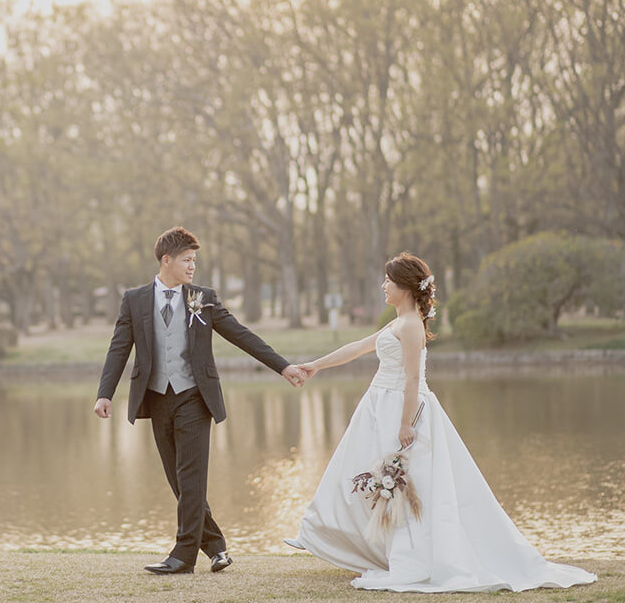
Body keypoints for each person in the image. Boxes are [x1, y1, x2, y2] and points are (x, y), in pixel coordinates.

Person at [286, 252, 597, 592]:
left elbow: (412, 379)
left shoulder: (410, 326)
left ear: (405, 287)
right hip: (378, 406)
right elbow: (358, 346)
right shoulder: (397, 322)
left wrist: (405, 425)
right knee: (355, 471)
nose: (383, 286)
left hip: (400, 410)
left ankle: (410, 556)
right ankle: (321, 532)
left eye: (388, 281)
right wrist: (314, 365)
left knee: (407, 485)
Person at [93, 226, 304, 575]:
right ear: (166, 260)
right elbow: (119, 347)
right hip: (156, 397)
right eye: (187, 260)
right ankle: (216, 546)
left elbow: (239, 333)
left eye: (195, 260)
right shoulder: (135, 299)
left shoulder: (202, 297)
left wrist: (282, 366)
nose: (193, 266)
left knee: (191, 477)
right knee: (178, 481)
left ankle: (182, 556)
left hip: (194, 396)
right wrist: (104, 393)